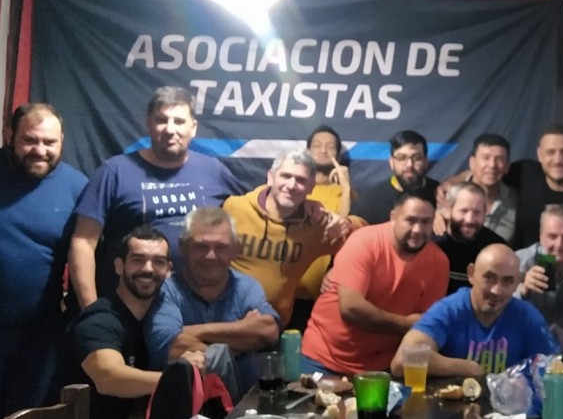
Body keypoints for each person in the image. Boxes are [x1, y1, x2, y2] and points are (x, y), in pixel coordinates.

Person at [69, 86, 245, 310]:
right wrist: (90, 310)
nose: (170, 129)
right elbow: (83, 242)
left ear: (193, 128)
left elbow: (251, 216)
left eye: (179, 121)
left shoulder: (214, 170)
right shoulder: (115, 171)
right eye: (161, 120)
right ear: (148, 124)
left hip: (196, 309)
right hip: (127, 309)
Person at [301, 188, 449, 375]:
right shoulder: (365, 241)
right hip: (322, 359)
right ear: (393, 217)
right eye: (410, 220)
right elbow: (351, 308)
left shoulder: (438, 261)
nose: (418, 229)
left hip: (381, 367)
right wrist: (405, 323)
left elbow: (426, 322)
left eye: (426, 222)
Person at [0, 103, 88, 415]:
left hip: (38, 337)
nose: (40, 150)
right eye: (30, 140)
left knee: (29, 414)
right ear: (9, 135)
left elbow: (87, 256)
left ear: (61, 140)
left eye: (49, 142)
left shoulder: (78, 187)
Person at [71, 225, 205, 419]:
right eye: (138, 260)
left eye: (158, 262)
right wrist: (177, 379)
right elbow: (109, 378)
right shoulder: (99, 320)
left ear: (168, 270)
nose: (148, 269)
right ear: (119, 266)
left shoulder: (157, 318)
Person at [145, 207, 281, 393]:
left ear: (236, 249)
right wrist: (237, 341)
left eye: (221, 247)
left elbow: (268, 330)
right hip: (182, 401)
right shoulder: (166, 289)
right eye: (201, 247)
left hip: (244, 404)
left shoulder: (246, 286)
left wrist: (192, 331)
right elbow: (172, 348)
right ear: (183, 246)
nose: (210, 256)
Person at [222, 149, 354, 326]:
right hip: (224, 316)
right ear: (270, 178)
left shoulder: (316, 223)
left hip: (273, 324)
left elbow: (365, 239)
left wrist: (346, 224)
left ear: (311, 187)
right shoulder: (234, 208)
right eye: (285, 176)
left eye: (301, 180)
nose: (291, 185)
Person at [389, 244, 558, 377]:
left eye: (507, 281)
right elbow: (402, 360)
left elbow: (554, 369)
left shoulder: (527, 316)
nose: (496, 290)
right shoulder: (450, 309)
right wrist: (467, 368)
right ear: (471, 274)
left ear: (517, 283)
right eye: (489, 278)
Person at [294, 126, 354, 330]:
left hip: (322, 293)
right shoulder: (294, 187)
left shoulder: (344, 193)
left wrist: (346, 187)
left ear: (338, 155)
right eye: (317, 145)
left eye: (330, 147)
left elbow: (345, 231)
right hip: (287, 291)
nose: (323, 150)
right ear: (307, 151)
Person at [516, 204, 563, 332]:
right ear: (541, 236)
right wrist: (522, 291)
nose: (559, 245)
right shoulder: (519, 262)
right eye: (552, 236)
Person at [351, 130, 439, 225]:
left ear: (426, 162)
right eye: (401, 158)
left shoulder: (440, 195)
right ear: (391, 162)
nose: (409, 164)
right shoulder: (371, 201)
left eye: (417, 158)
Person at [434, 181, 506, 294]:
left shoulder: (496, 248)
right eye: (464, 211)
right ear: (448, 210)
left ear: (485, 213)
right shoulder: (432, 243)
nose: (470, 220)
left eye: (477, 213)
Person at [467, 134, 517, 242]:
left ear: (507, 166)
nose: (492, 165)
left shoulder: (516, 201)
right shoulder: (448, 198)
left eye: (499, 159)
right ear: (472, 163)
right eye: (486, 158)